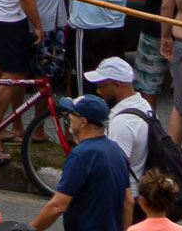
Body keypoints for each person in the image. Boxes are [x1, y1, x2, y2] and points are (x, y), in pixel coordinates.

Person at [29, 97, 130, 231]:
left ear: (83, 121)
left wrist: (30, 229)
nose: (68, 116)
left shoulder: (81, 155)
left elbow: (58, 206)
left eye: (72, 113)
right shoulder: (116, 150)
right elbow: (128, 201)